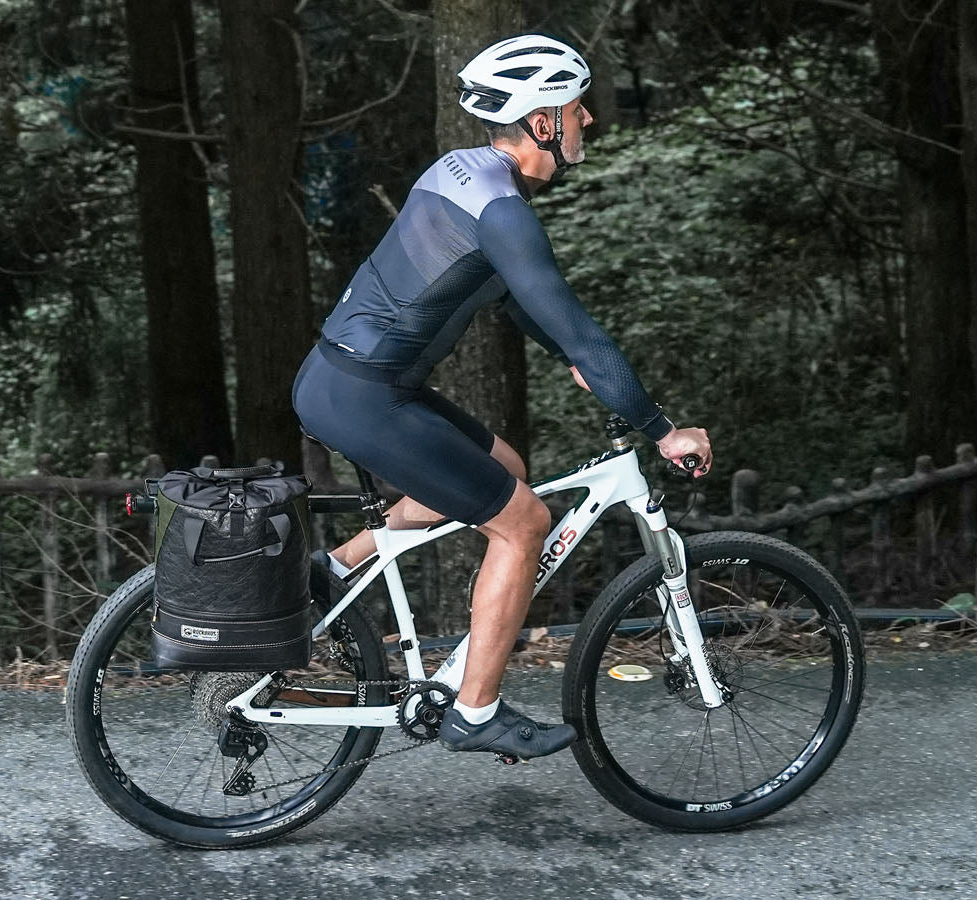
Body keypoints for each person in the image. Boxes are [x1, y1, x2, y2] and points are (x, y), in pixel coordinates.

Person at [292, 34, 713, 760]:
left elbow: (515, 301)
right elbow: (576, 327)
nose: (591, 124)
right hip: (367, 396)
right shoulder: (505, 212)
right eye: (580, 111)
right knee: (523, 524)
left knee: (508, 468)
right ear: (544, 122)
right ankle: (476, 712)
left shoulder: (461, 174)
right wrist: (662, 428)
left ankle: (334, 567)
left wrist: (570, 357)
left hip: (342, 377)